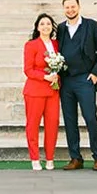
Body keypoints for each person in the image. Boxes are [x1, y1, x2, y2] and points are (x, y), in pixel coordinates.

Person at [54, 0, 97, 170]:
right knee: (69, 120)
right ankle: (75, 158)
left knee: (90, 118)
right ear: (64, 9)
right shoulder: (60, 29)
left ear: (79, 7)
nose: (70, 10)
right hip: (66, 81)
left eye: (73, 6)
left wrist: (95, 75)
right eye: (67, 7)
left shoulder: (92, 26)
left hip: (85, 79)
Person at [22, 12, 61, 170]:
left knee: (53, 124)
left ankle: (50, 158)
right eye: (42, 24)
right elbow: (28, 70)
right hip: (35, 91)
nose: (46, 26)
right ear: (37, 27)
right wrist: (45, 77)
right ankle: (35, 158)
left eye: (48, 24)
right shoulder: (31, 45)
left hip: (53, 91)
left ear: (52, 27)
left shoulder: (56, 44)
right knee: (33, 125)